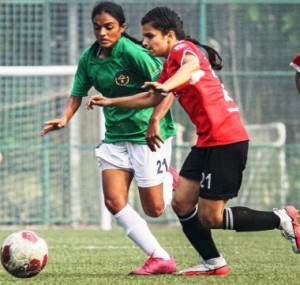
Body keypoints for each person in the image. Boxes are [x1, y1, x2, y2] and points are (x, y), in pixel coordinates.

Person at [86, 6, 300, 276]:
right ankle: (213, 263)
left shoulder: (183, 50)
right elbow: (153, 97)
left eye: (150, 36)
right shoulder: (168, 65)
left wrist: (167, 85)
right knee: (182, 203)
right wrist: (111, 101)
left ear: (169, 35)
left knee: (211, 217)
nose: (145, 42)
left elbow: (191, 66)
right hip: (207, 141)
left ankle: (282, 218)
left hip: (226, 139)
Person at [40, 2, 178, 275]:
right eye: (97, 27)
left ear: (122, 28)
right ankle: (160, 257)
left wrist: (155, 121)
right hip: (115, 138)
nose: (102, 32)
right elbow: (77, 93)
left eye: (109, 27)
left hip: (146, 137)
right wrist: (65, 118)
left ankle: (170, 179)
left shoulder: (134, 53)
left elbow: (169, 88)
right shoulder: (89, 58)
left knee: (155, 209)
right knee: (114, 201)